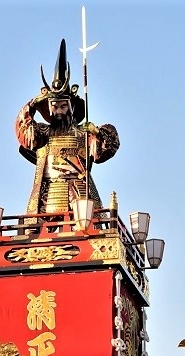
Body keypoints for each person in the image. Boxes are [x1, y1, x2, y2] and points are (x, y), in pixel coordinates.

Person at [15, 39, 120, 223]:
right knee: (41, 232)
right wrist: (32, 104)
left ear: (71, 107)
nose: (59, 111)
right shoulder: (42, 134)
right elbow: (25, 134)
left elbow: (107, 148)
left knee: (87, 226)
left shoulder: (83, 135)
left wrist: (97, 131)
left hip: (80, 192)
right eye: (54, 106)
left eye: (63, 106)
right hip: (47, 194)